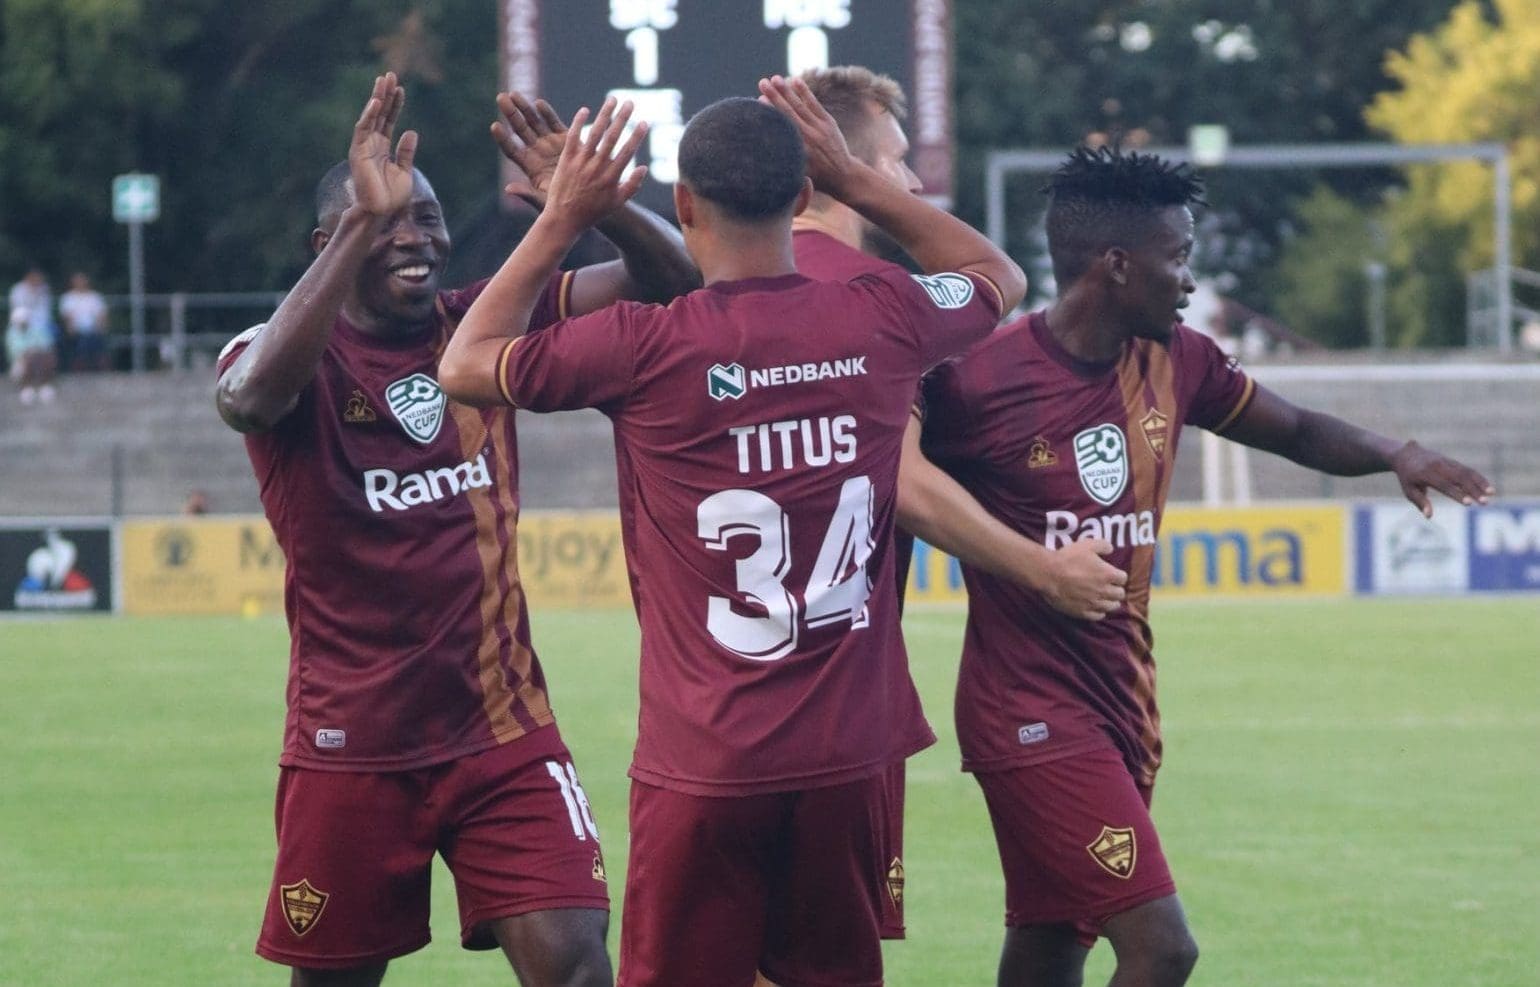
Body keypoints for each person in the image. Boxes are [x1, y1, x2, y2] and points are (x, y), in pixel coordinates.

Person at [439, 77, 1026, 987]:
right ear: (804, 196)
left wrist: (561, 219)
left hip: (707, 758)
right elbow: (1000, 278)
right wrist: (862, 181)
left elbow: (465, 364)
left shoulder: (647, 343)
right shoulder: (883, 314)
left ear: (682, 204)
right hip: (850, 754)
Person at [918, 145, 1496, 987]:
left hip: (1124, 701)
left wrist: (1394, 451)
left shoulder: (1178, 358)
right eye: (1179, 257)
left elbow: (1293, 429)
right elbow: (896, 485)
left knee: (1051, 943)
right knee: (1162, 947)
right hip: (1029, 711)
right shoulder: (975, 381)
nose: (1190, 280)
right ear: (1118, 266)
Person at [214, 72, 695, 987]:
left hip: (502, 733)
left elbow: (675, 288)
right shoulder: (276, 349)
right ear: (332, 242)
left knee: (581, 967)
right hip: (351, 744)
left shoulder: (479, 326)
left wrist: (602, 208)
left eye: (426, 218)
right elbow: (248, 400)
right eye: (388, 220)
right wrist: (365, 215)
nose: (416, 237)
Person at [792, 64, 1127, 945]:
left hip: (709, 704)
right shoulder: (876, 300)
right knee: (818, 955)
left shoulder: (706, 296)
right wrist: (1042, 567)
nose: (909, 181)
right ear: (843, 168)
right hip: (836, 697)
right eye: (894, 161)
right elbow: (897, 473)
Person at [58, 272, 110, 371]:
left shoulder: (95, 297)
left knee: (92, 338)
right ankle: (82, 368)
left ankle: (98, 369)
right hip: (76, 332)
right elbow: (67, 318)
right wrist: (71, 329)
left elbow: (102, 316)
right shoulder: (68, 298)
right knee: (84, 340)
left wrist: (100, 327)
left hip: (94, 330)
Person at [7, 305, 58, 404]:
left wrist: (34, 353)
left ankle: (45, 386)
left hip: (39, 361)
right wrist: (30, 353)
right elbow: (15, 353)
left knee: (45, 358)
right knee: (28, 360)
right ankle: (27, 388)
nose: (22, 323)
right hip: (19, 363)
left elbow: (47, 347)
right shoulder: (11, 334)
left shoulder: (38, 330)